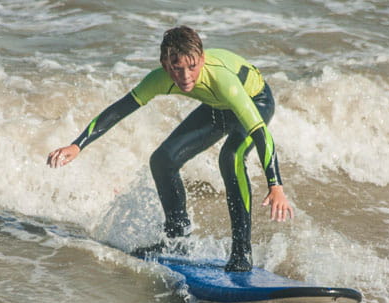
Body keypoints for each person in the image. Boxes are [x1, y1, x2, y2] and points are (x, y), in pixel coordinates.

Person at [47, 26, 293, 272]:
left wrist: (276, 186)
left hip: (255, 101)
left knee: (231, 157)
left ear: (202, 60)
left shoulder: (223, 81)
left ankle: (242, 254)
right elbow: (120, 109)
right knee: (163, 160)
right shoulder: (159, 79)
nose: (185, 76)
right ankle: (177, 241)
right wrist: (77, 145)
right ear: (165, 64)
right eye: (176, 68)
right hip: (217, 106)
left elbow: (261, 133)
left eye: (192, 67)